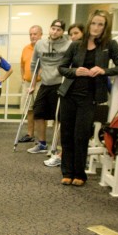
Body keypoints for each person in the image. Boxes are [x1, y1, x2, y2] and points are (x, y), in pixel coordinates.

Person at [58, 9, 118, 186]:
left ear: (105, 27)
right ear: (89, 24)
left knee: (81, 135)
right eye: (94, 23)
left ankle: (79, 174)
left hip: (89, 97)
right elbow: (62, 67)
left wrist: (104, 70)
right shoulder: (76, 45)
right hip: (69, 94)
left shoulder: (109, 45)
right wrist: (75, 71)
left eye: (101, 24)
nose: (96, 28)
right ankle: (67, 172)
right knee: (66, 134)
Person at [26, 19, 71, 154]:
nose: (55, 31)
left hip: (59, 84)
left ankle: (56, 146)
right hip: (45, 84)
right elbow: (34, 65)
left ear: (63, 32)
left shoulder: (68, 45)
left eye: (58, 29)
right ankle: (42, 143)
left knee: (58, 116)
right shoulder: (40, 44)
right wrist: (33, 85)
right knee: (38, 114)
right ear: (49, 29)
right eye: (53, 28)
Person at [44, 23, 85, 167]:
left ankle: (66, 156)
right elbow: (62, 68)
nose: (73, 37)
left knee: (77, 130)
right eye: (71, 34)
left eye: (76, 33)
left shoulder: (88, 50)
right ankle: (63, 156)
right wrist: (74, 72)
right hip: (69, 90)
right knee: (66, 126)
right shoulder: (72, 49)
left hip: (85, 95)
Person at [18, 25, 43, 143]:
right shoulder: (26, 48)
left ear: (41, 35)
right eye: (31, 34)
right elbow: (22, 65)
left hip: (40, 83)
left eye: (35, 34)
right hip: (27, 82)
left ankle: (40, 137)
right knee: (29, 109)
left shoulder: (45, 48)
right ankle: (30, 134)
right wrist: (23, 78)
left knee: (40, 110)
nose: (32, 36)